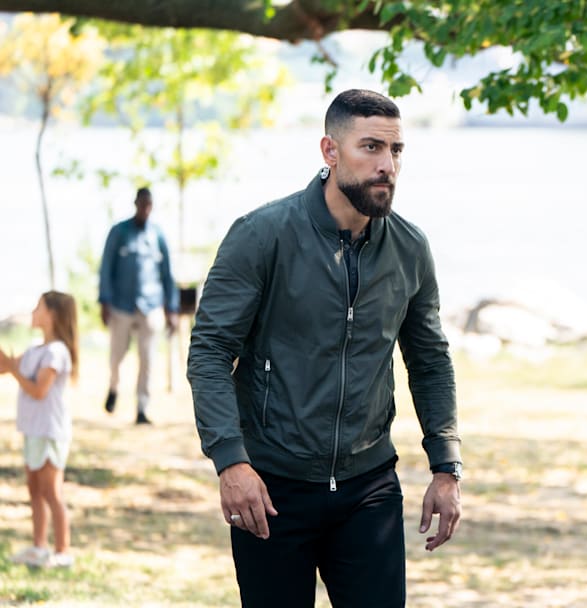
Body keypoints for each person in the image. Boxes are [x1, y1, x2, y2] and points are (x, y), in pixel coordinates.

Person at [187, 89, 462, 608]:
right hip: (271, 488)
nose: (387, 166)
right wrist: (231, 462)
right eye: (371, 147)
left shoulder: (409, 248)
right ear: (330, 151)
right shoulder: (261, 236)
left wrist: (446, 467)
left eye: (396, 150)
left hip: (368, 486)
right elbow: (210, 352)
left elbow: (429, 361)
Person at [0, 291, 80, 569]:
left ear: (52, 315)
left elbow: (38, 390)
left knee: (51, 492)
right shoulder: (35, 349)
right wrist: (9, 365)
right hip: (32, 430)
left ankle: (62, 552)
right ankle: (39, 547)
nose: (33, 312)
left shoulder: (56, 352)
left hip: (49, 431)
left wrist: (14, 370)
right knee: (34, 489)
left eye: (38, 307)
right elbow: (6, 367)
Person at [98, 186, 179, 425]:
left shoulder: (158, 235)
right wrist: (104, 300)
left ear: (152, 206)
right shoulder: (119, 232)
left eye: (149, 205)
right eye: (142, 204)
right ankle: (113, 387)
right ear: (135, 203)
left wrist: (172, 308)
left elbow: (167, 274)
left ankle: (142, 408)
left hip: (151, 305)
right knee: (117, 355)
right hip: (121, 306)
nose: (145, 208)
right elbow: (106, 268)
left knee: (147, 359)